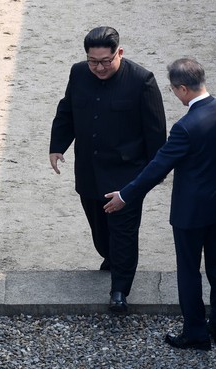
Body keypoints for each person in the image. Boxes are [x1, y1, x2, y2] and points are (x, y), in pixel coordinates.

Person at [104, 58, 216, 350]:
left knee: (189, 271)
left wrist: (125, 195)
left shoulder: (185, 127)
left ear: (182, 89)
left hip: (191, 212)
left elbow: (157, 169)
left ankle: (195, 332)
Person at [49, 26, 167, 313]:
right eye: (93, 61)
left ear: (120, 53)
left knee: (124, 232)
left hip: (127, 174)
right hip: (89, 170)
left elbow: (155, 133)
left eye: (105, 61)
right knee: (101, 232)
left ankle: (119, 290)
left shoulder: (143, 81)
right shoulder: (78, 73)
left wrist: (149, 179)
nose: (98, 68)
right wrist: (57, 146)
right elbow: (67, 110)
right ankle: (111, 257)